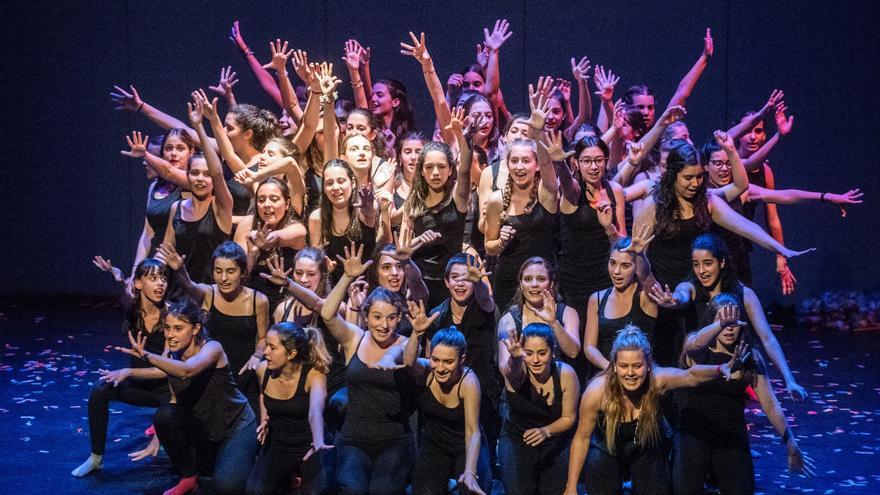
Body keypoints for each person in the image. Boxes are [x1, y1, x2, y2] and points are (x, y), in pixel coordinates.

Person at [564, 326, 746, 495]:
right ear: (614, 366)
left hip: (646, 448)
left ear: (648, 364)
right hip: (607, 450)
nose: (630, 373)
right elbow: (582, 438)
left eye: (637, 366)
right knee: (600, 473)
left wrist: (720, 369)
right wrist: (571, 487)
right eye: (623, 366)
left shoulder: (657, 380)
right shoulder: (597, 392)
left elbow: (690, 376)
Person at [673, 294, 815, 495]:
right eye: (723, 320)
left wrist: (791, 444)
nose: (730, 327)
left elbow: (770, 404)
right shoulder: (698, 349)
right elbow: (693, 344)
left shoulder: (751, 356)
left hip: (730, 431)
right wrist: (721, 324)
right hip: (695, 430)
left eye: (735, 321)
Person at [117, 298, 258, 495]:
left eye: (178, 328)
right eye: (167, 328)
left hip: (236, 426)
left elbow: (187, 371)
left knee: (227, 486)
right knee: (164, 415)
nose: (170, 335)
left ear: (195, 329)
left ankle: (257, 462)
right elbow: (175, 402)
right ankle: (189, 478)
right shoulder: (173, 356)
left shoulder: (212, 348)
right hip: (206, 428)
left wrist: (147, 355)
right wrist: (159, 435)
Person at [648, 232, 808, 400]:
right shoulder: (691, 288)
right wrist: (674, 299)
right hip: (696, 380)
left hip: (729, 379)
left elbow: (767, 339)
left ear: (722, 262)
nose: (701, 271)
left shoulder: (744, 295)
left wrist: (789, 380)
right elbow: (682, 294)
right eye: (696, 264)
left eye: (708, 263)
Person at [320, 243, 419, 495]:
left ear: (399, 317)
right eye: (376, 317)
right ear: (366, 316)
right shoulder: (355, 338)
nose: (384, 325)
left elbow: (406, 359)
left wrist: (391, 355)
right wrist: (347, 276)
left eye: (391, 317)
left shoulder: (405, 343)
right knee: (352, 489)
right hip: (354, 438)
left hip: (393, 440)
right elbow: (328, 314)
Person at [71, 257, 171, 477]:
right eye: (153, 278)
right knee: (100, 389)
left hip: (165, 393)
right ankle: (96, 458)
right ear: (138, 284)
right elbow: (124, 296)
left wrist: (128, 371)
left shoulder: (171, 316)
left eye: (163, 278)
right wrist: (117, 277)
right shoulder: (134, 311)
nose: (160, 283)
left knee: (170, 426)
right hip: (138, 387)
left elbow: (166, 369)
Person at [156, 241, 269, 411]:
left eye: (230, 271)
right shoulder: (208, 293)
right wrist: (180, 269)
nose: (223, 278)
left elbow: (262, 338)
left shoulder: (258, 301)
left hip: (243, 375)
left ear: (243, 273)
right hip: (210, 375)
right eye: (218, 271)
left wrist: (257, 355)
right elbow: (189, 286)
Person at [427, 254, 500, 469]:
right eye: (455, 277)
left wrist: (479, 283)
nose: (460, 283)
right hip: (447, 398)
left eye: (466, 278)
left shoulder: (482, 307)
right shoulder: (437, 315)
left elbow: (486, 300)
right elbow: (430, 357)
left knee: (482, 466)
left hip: (484, 394)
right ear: (447, 282)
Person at [245, 322, 334, 495]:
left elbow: (315, 410)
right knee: (254, 491)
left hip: (309, 445)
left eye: (272, 347)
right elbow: (264, 393)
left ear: (292, 353)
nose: (265, 352)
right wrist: (265, 418)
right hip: (278, 443)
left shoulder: (314, 374)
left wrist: (318, 440)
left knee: (318, 491)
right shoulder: (263, 370)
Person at [403, 325, 491, 495]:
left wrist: (470, 472)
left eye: (448, 362)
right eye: (435, 359)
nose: (441, 368)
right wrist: (416, 333)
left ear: (462, 359)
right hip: (435, 444)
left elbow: (472, 431)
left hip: (465, 445)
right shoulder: (427, 371)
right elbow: (408, 363)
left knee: (470, 490)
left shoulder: (468, 382)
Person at [400, 106, 473, 309]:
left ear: (450, 170)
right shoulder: (413, 203)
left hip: (452, 283)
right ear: (421, 171)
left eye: (441, 167)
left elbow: (466, 170)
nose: (435, 173)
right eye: (429, 167)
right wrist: (419, 240)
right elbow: (402, 249)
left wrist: (459, 135)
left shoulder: (456, 199)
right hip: (420, 283)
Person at [497, 322, 579, 495]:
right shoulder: (518, 371)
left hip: (554, 439)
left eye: (542, 353)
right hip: (517, 438)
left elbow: (569, 418)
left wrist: (546, 431)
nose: (535, 360)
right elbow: (512, 373)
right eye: (529, 353)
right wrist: (516, 359)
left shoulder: (566, 375)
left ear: (552, 351)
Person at [162, 95, 233, 283]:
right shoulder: (177, 208)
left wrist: (199, 127)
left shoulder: (221, 206)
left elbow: (217, 172)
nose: (200, 179)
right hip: (178, 294)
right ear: (188, 175)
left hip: (210, 296)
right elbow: (165, 251)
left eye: (206, 174)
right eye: (194, 173)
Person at [557, 136, 626, 325]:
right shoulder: (574, 190)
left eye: (598, 160)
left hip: (605, 277)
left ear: (606, 160)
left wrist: (608, 227)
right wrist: (559, 164)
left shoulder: (615, 190)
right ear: (576, 163)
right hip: (574, 281)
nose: (593, 167)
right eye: (586, 161)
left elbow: (623, 245)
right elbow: (566, 183)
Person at [583, 230, 659, 374]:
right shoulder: (597, 299)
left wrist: (640, 255)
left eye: (625, 266)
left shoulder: (645, 297)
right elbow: (589, 347)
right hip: (608, 372)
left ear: (636, 267)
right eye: (612, 263)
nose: (616, 271)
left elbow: (646, 275)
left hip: (638, 374)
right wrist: (612, 369)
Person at [497, 257, 583, 382]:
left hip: (559, 384)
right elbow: (505, 371)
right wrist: (515, 360)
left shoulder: (567, 313)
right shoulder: (508, 319)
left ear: (551, 284)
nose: (534, 284)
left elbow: (573, 352)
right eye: (527, 279)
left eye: (541, 279)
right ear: (521, 284)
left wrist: (553, 322)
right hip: (522, 388)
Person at [234, 177, 308, 311]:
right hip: (249, 299)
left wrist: (265, 240)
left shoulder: (297, 228)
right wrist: (251, 254)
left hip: (283, 303)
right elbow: (237, 278)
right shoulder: (247, 224)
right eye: (261, 200)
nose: (267, 204)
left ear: (287, 204)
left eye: (274, 199)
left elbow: (277, 237)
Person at [307, 160, 378, 283]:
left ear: (353, 182)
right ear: (323, 188)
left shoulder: (363, 209)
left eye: (341, 181)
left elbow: (370, 211)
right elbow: (317, 258)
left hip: (367, 285)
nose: (335, 187)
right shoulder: (317, 217)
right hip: (335, 288)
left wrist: (368, 205)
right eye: (329, 183)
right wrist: (323, 266)